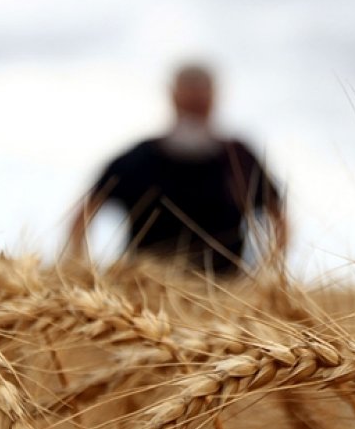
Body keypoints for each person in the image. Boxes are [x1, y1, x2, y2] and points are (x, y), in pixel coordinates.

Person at [68, 64, 286, 274]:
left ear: (214, 98)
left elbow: (279, 218)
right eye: (189, 101)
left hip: (225, 296)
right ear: (172, 96)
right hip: (143, 296)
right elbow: (84, 215)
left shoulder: (240, 159)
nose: (194, 107)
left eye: (200, 102)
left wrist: (264, 277)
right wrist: (82, 272)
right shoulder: (137, 159)